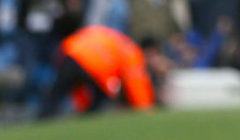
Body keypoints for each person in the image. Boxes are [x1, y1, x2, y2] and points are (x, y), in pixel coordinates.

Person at [38, 25, 166, 118]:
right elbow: (136, 83)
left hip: (70, 53)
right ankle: (88, 120)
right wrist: (146, 110)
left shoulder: (122, 42)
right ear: (148, 51)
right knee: (100, 97)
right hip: (90, 62)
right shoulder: (133, 52)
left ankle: (42, 119)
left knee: (56, 94)